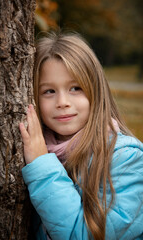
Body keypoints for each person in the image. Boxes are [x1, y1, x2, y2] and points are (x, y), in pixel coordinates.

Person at [19, 31, 143, 240]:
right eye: (49, 91)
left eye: (75, 88)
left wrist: (42, 166)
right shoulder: (32, 152)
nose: (62, 102)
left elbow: (86, 235)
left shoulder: (125, 160)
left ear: (96, 91)